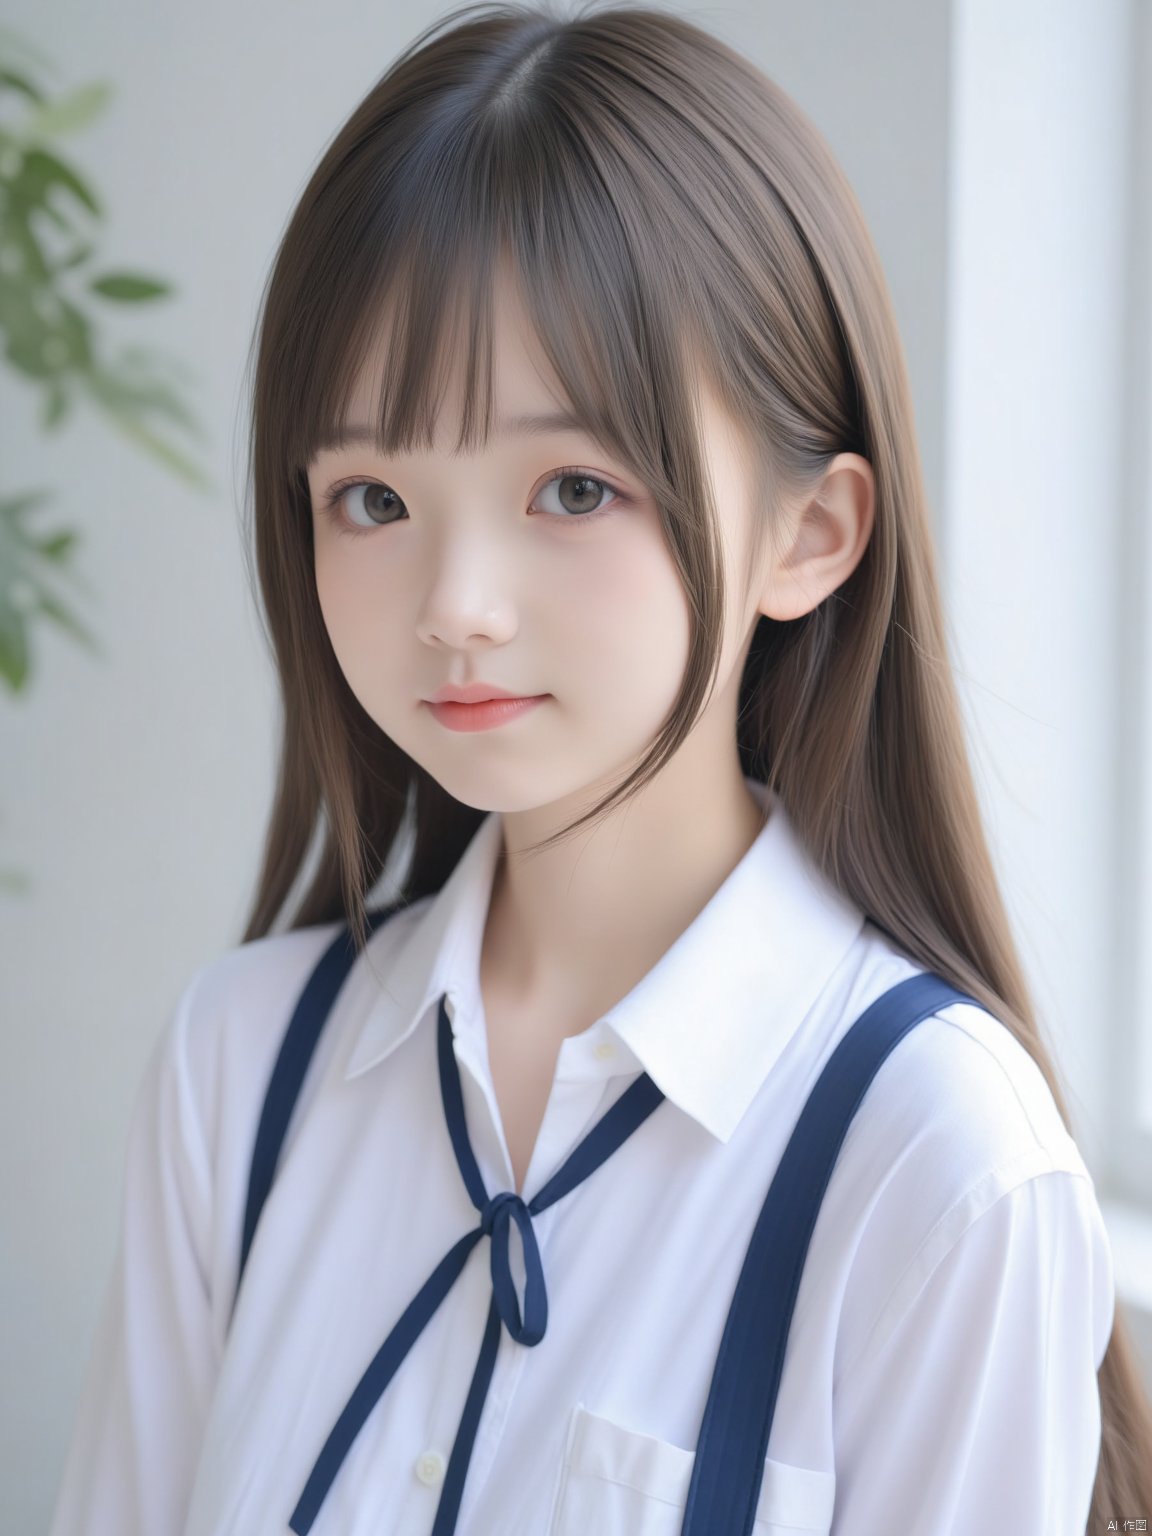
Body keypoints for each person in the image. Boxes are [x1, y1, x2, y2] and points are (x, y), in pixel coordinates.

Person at [49, 3, 1152, 1533]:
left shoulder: (940, 1170)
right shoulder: (241, 1069)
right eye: (372, 496)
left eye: (572, 486)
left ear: (810, 534)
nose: (454, 604)